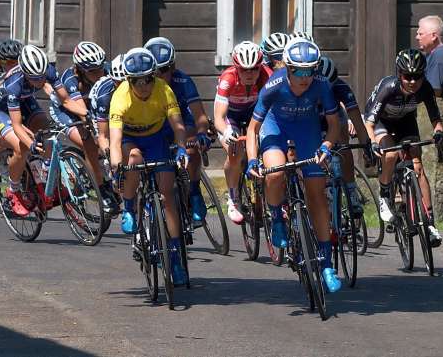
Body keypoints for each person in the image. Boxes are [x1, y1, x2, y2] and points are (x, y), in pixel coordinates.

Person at [245, 37, 343, 293]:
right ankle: (277, 217)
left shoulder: (321, 85)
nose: (304, 77)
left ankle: (327, 264)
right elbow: (253, 128)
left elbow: (334, 124)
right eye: (298, 71)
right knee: (275, 172)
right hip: (275, 127)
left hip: (307, 129)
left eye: (310, 71)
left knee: (317, 195)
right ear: (287, 68)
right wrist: (252, 159)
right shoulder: (274, 85)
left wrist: (326, 146)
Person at [109, 48, 189, 286]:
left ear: (155, 76)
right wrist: (116, 166)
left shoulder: (164, 90)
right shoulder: (120, 97)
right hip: (130, 139)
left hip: (155, 139)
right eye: (137, 81)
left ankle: (174, 257)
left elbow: (178, 126)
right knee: (133, 160)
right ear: (128, 80)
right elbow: (115, 141)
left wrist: (182, 149)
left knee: (167, 195)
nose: (144, 86)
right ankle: (129, 207)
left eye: (148, 79)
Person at [363, 48, 443, 247]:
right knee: (390, 154)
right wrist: (372, 143)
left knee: (417, 166)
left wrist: (438, 132)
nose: (412, 81)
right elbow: (369, 124)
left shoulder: (425, 88)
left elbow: (436, 119)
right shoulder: (388, 87)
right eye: (407, 76)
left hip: (405, 121)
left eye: (417, 76)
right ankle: (384, 195)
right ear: (399, 74)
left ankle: (430, 223)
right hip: (381, 121)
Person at [0, 45, 80, 215]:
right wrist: (30, 144)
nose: (39, 81)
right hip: (1, 109)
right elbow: (16, 125)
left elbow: (66, 100)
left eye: (42, 77)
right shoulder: (13, 83)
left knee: (47, 131)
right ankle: (13, 190)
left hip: (25, 100)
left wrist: (86, 115)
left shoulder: (48, 71)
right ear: (24, 73)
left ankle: (42, 177)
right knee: (22, 147)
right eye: (34, 78)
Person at [145, 36, 212, 228]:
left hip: (182, 121)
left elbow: (199, 115)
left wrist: (202, 134)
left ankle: (194, 191)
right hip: (157, 126)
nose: (160, 75)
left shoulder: (183, 81)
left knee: (192, 147)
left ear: (173, 67)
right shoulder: (143, 86)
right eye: (155, 71)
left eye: (165, 69)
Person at [214, 41, 271, 224]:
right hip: (231, 116)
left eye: (254, 69)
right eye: (244, 70)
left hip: (255, 113)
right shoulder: (228, 78)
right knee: (235, 151)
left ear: (260, 66)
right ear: (236, 67)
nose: (249, 74)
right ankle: (233, 199)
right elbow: (219, 118)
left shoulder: (266, 76)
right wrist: (227, 132)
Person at [49, 41, 110, 201]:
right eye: (93, 71)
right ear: (81, 70)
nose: (99, 73)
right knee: (90, 143)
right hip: (66, 111)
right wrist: (96, 134)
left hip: (91, 109)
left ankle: (89, 172)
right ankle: (101, 190)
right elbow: (83, 114)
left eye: (101, 67)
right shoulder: (70, 79)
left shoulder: (108, 71)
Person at [316, 55, 375, 218]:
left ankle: (351, 191)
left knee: (343, 146)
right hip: (313, 117)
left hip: (335, 116)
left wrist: (367, 145)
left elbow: (357, 120)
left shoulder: (341, 87)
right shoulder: (306, 87)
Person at [88, 55, 126, 214]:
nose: (122, 87)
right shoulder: (105, 95)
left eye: (125, 83)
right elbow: (103, 136)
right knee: (112, 153)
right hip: (102, 112)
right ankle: (105, 181)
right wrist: (112, 158)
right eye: (118, 83)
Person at [416, 15, 443, 131]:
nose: (417, 37)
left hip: (437, 117)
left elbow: (435, 91)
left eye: (421, 34)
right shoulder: (437, 53)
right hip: (434, 115)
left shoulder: (440, 56)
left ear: (434, 36)